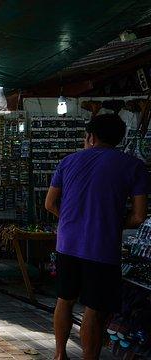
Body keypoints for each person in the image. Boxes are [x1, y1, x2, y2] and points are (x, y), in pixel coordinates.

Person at [45, 114, 149, 360]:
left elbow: (50, 204)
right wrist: (111, 223)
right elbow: (139, 216)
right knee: (93, 308)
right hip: (102, 246)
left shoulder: (68, 161)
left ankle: (60, 355)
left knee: (65, 299)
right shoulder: (133, 166)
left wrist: (72, 220)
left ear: (90, 137)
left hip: (67, 243)